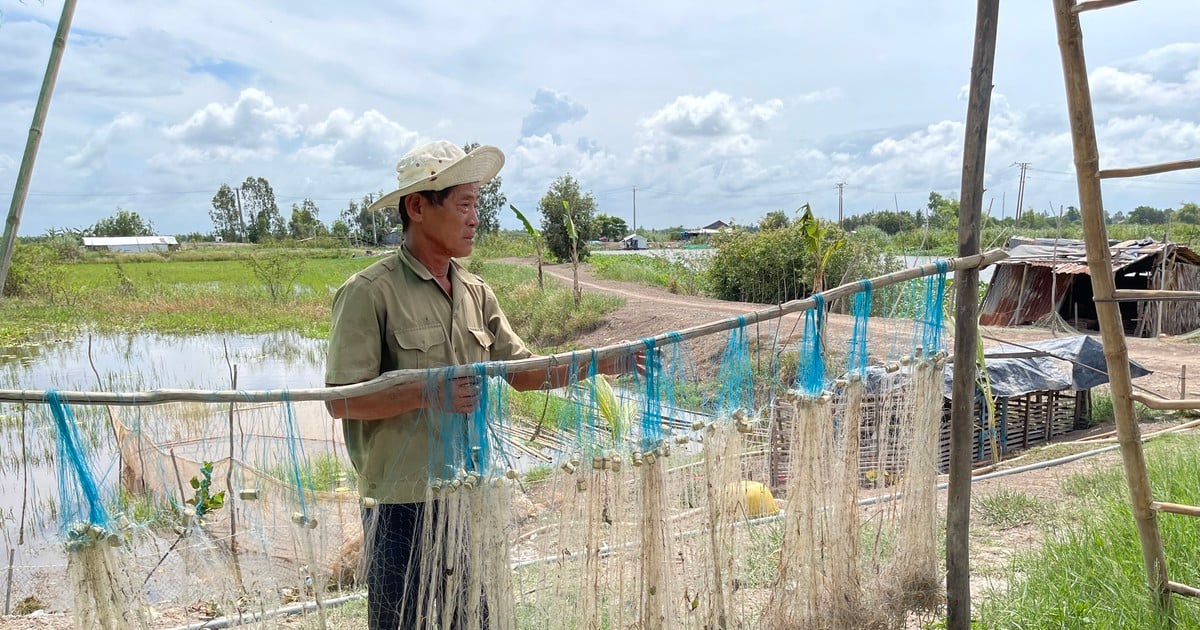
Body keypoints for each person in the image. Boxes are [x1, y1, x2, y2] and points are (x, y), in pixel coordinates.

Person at [324, 140, 634, 629]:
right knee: (404, 621)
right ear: (418, 206)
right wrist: (429, 391)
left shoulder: (475, 292)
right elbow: (342, 400)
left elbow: (524, 372)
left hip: (469, 493)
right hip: (402, 506)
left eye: (477, 206)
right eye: (465, 205)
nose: (475, 219)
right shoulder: (370, 292)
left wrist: (597, 362)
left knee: (475, 618)